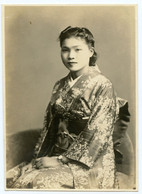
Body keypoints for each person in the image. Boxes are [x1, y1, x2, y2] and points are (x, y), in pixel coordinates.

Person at [6, 26, 134, 189]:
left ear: (90, 51)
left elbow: (98, 135)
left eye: (77, 50)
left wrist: (60, 161)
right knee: (13, 177)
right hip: (58, 155)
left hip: (91, 163)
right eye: (65, 50)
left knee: (37, 182)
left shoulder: (103, 86)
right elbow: (49, 129)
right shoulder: (59, 85)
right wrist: (38, 159)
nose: (71, 56)